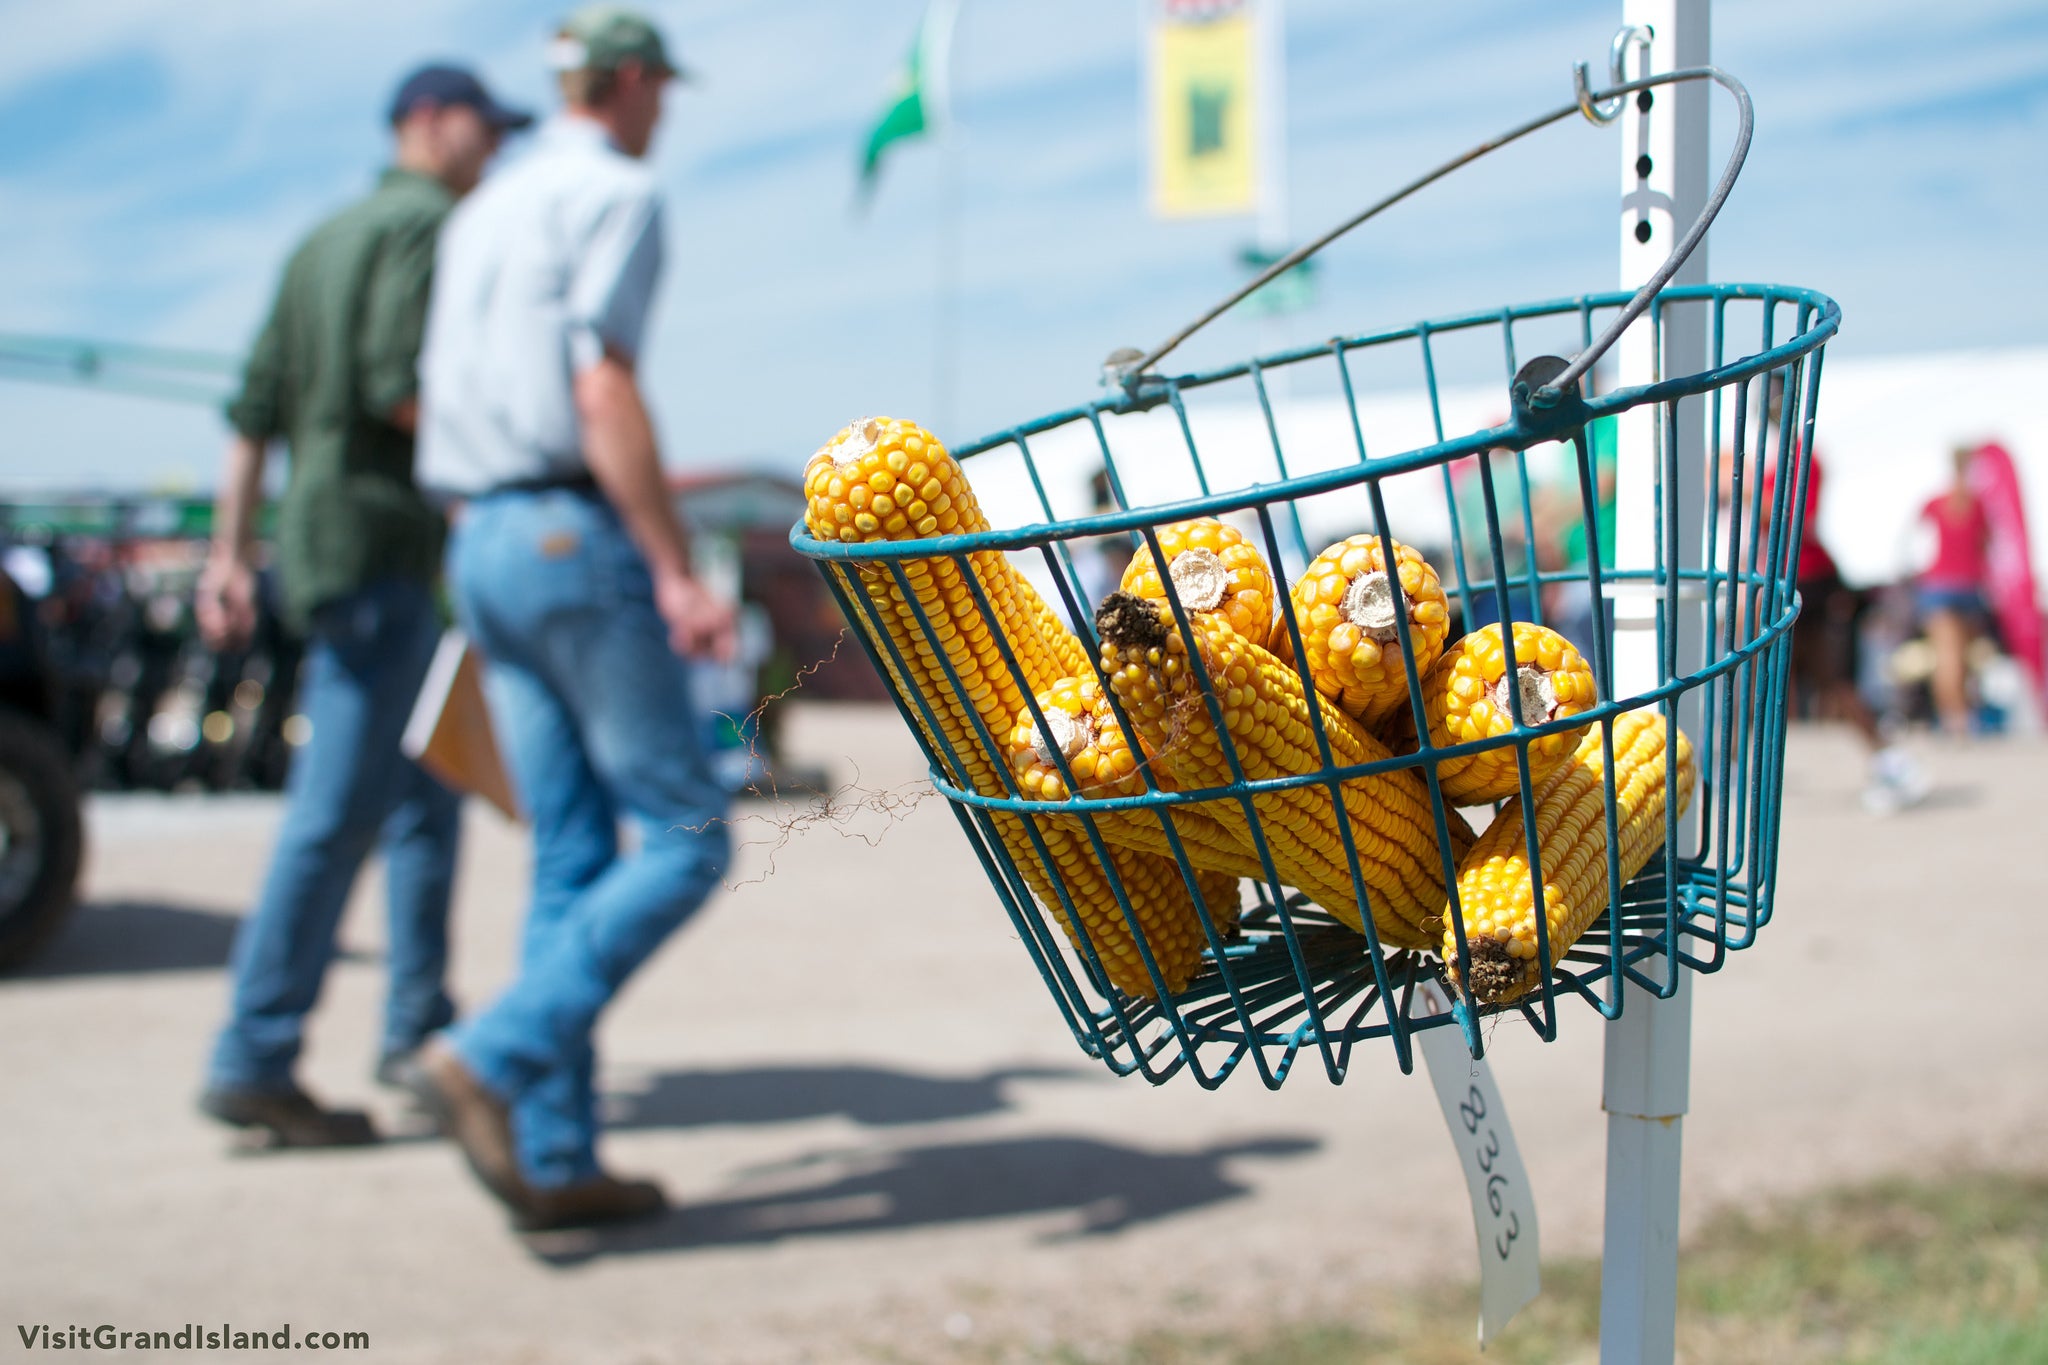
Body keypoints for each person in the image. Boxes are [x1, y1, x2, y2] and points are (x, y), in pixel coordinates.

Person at [409, 6, 735, 1231]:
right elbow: (601, 378)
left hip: (480, 536)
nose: (663, 116)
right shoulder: (617, 193)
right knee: (689, 837)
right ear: (634, 80)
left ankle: (553, 1159)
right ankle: (489, 1057)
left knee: (567, 854)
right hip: (564, 526)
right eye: (662, 91)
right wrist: (673, 566)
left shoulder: (486, 201)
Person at [196, 66, 532, 1147]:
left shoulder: (315, 240)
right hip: (391, 553)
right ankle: (254, 1055)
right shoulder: (432, 225)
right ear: (429, 123)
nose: (496, 154)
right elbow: (402, 381)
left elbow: (251, 416)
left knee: (423, 799)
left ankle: (417, 1033)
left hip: (329, 552)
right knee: (336, 811)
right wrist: (504, 484)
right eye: (487, 130)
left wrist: (227, 557)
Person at [1916, 447, 1992, 734]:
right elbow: (1985, 544)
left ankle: (1953, 719)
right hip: (1970, 584)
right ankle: (1961, 717)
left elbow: (1917, 537)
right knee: (1964, 655)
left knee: (1946, 655)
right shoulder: (1978, 504)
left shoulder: (1936, 502)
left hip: (1938, 584)